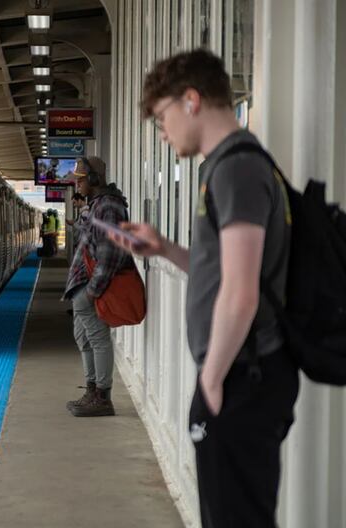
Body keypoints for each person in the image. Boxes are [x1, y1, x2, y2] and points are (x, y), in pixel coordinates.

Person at [108, 49, 297, 527]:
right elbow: (227, 271)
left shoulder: (236, 168)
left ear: (191, 100)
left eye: (162, 117)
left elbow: (241, 291)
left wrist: (211, 381)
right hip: (241, 372)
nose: (163, 131)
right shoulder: (228, 166)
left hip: (241, 375)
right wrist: (166, 249)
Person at [63, 156, 133, 417]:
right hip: (81, 284)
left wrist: (94, 289)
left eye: (80, 180)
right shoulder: (97, 205)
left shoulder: (109, 207)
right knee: (84, 338)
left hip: (90, 285)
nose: (77, 185)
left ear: (92, 179)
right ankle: (92, 390)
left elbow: (110, 252)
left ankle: (103, 396)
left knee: (98, 338)